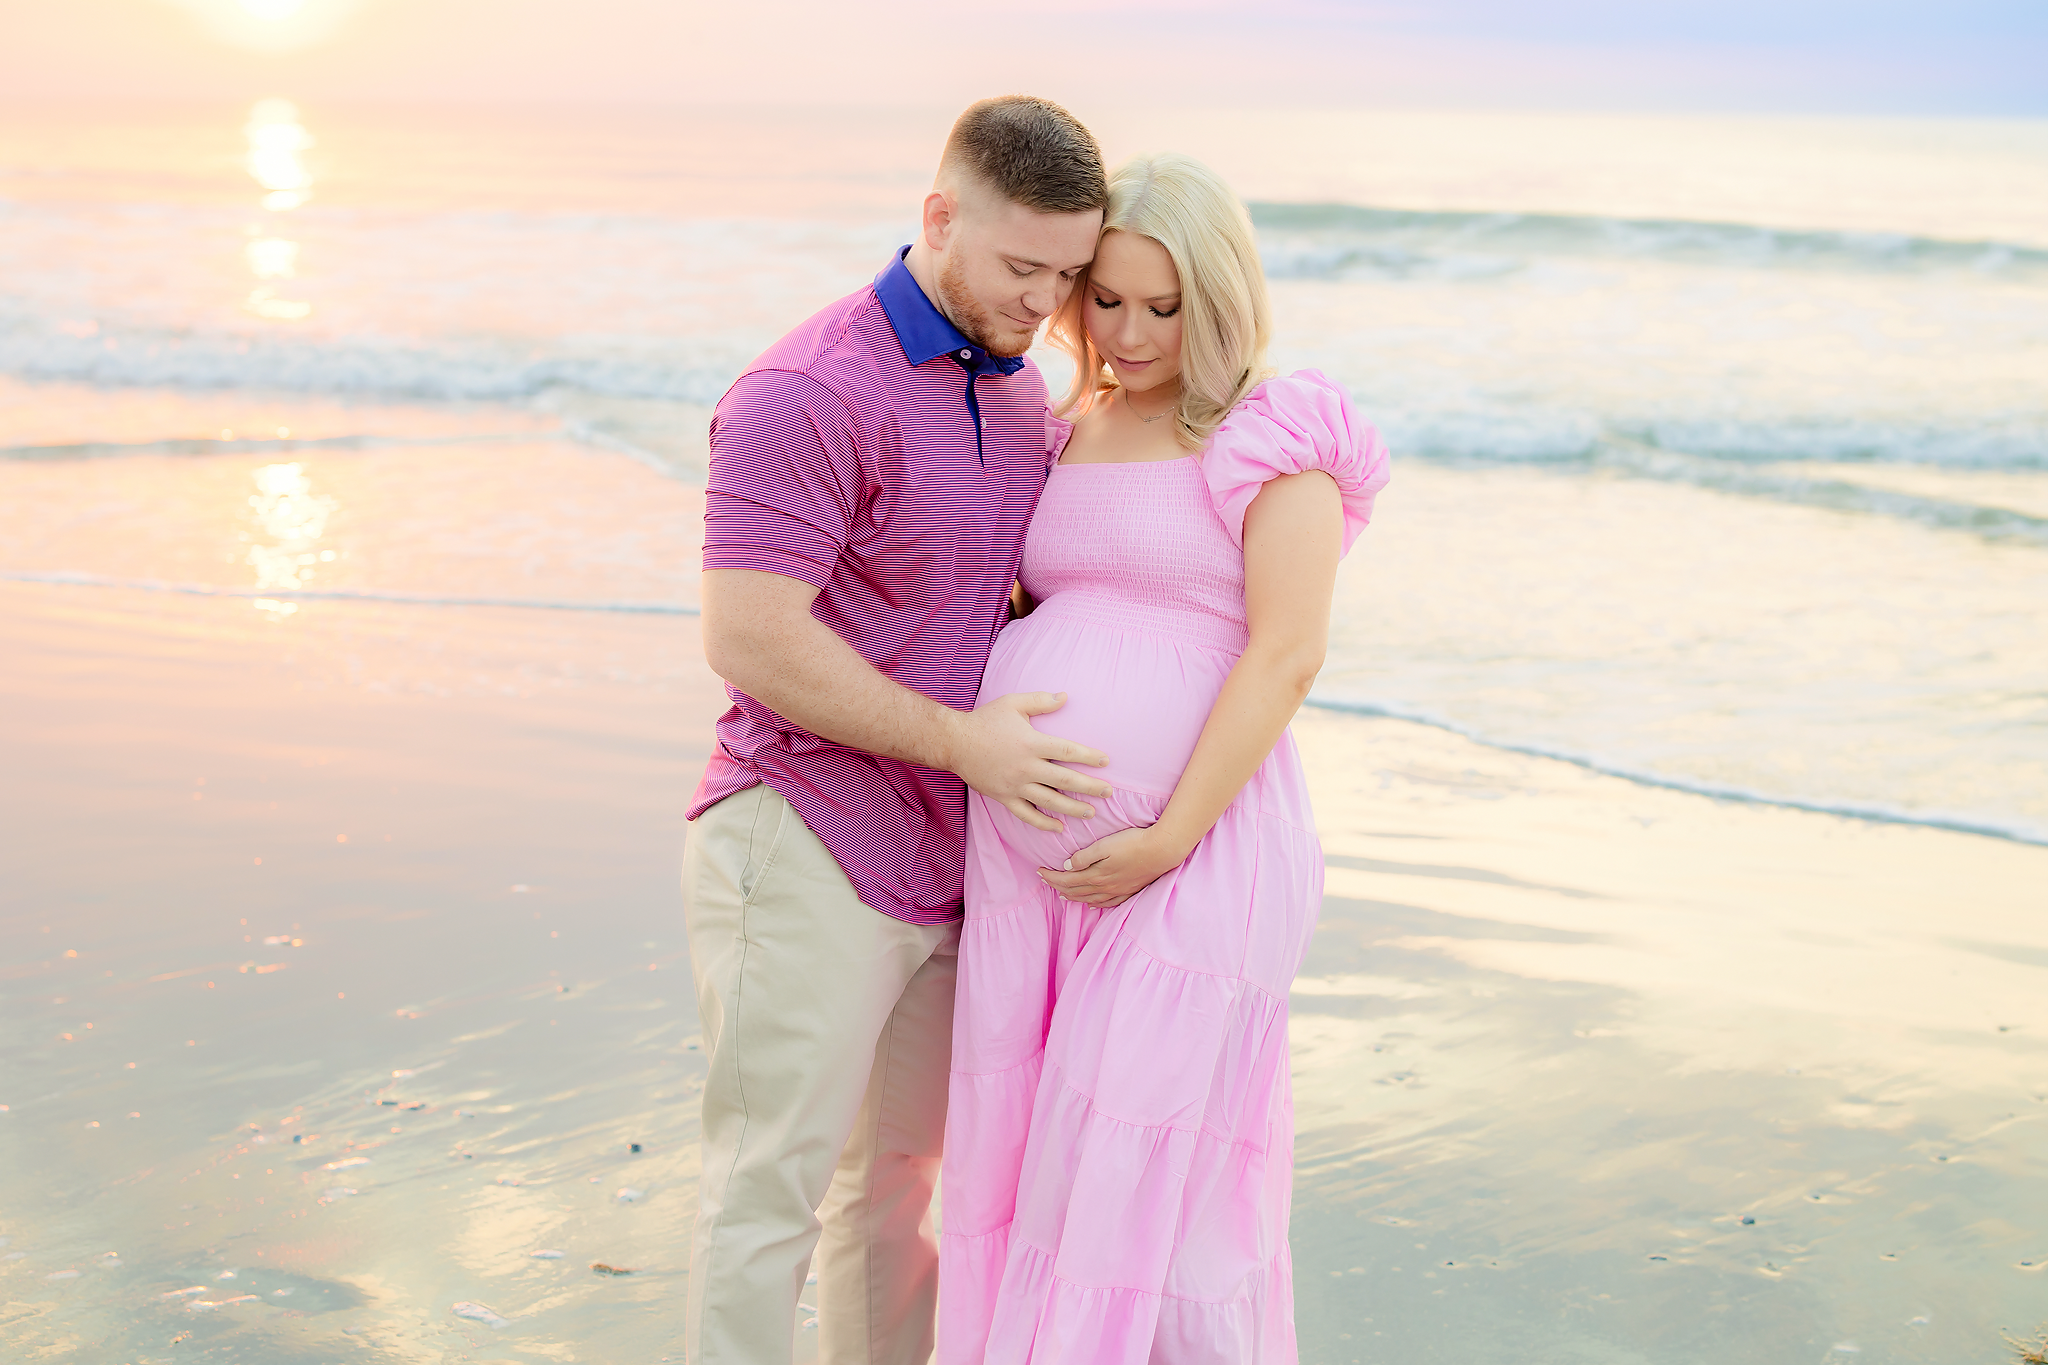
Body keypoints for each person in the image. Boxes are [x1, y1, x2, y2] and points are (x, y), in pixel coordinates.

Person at [937, 153, 1391, 1365]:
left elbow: (1286, 656)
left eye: (1164, 304)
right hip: (1037, 879)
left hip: (1195, 855)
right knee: (1044, 1170)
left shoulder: (1274, 430)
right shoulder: (1071, 420)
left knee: (1137, 1184)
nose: (1129, 331)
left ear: (1220, 297)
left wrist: (1162, 839)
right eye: (1108, 299)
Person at [680, 97, 1110, 1365]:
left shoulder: (1026, 400)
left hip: (949, 871)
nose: (1044, 300)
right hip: (800, 839)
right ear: (936, 219)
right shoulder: (807, 391)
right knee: (766, 1191)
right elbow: (749, 635)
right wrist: (967, 744)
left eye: (1068, 273)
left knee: (898, 1195)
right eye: (1019, 265)